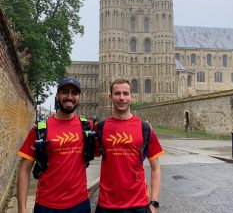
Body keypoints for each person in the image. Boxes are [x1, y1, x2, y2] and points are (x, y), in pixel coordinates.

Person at [17, 78, 91, 213]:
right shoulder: (40, 129)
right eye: (65, 92)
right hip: (46, 206)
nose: (69, 97)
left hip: (80, 204)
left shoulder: (87, 127)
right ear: (57, 95)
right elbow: (24, 170)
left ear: (79, 97)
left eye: (74, 93)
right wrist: (22, 209)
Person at [95, 79, 164, 213]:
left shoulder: (145, 128)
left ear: (132, 96)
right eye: (117, 93)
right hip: (106, 206)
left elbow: (156, 168)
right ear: (110, 97)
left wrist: (154, 203)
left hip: (138, 205)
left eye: (125, 93)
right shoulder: (101, 128)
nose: (121, 98)